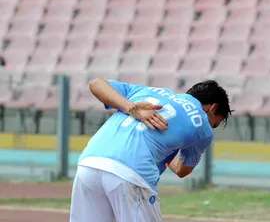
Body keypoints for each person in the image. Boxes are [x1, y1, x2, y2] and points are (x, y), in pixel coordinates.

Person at [69, 78, 232, 222]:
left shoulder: (147, 90)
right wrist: (168, 151)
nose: (212, 127)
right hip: (132, 171)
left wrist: (130, 107)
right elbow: (182, 169)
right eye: (215, 123)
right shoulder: (203, 127)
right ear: (212, 108)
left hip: (90, 161)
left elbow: (96, 83)